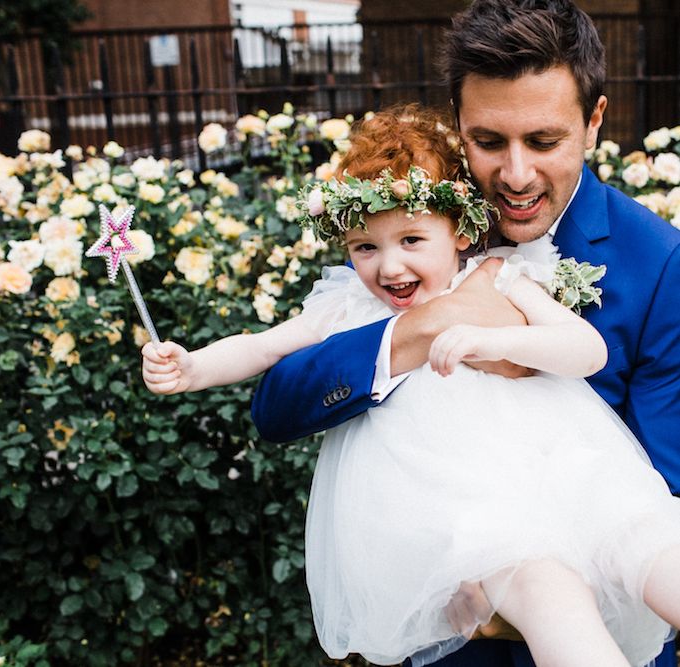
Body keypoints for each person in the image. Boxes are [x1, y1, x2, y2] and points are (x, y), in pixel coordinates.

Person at [142, 106, 680, 667]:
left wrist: (496, 341)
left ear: (462, 231)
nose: (388, 266)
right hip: (471, 519)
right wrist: (193, 368)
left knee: (653, 547)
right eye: (365, 247)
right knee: (552, 598)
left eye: (412, 239)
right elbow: (262, 347)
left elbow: (587, 350)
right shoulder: (348, 307)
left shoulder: (496, 279)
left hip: (567, 475)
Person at [248, 2, 680, 666]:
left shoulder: (655, 262)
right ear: (458, 125)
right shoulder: (412, 224)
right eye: (487, 141)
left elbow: (659, 481)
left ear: (592, 122)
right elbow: (277, 404)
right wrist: (424, 327)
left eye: (542, 141)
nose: (513, 175)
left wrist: (530, 590)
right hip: (447, 643)